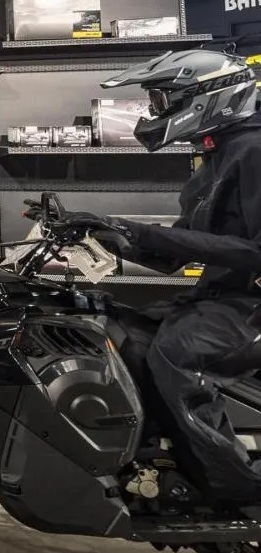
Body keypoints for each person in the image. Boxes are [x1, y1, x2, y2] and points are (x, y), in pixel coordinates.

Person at [57, 47, 261, 502]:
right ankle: (155, 462)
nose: (155, 112)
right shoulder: (216, 160)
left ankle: (231, 490)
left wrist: (140, 230)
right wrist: (107, 233)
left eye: (163, 101)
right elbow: (175, 256)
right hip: (221, 297)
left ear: (210, 96)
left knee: (176, 355)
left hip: (249, 305)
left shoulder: (254, 150)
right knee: (121, 333)